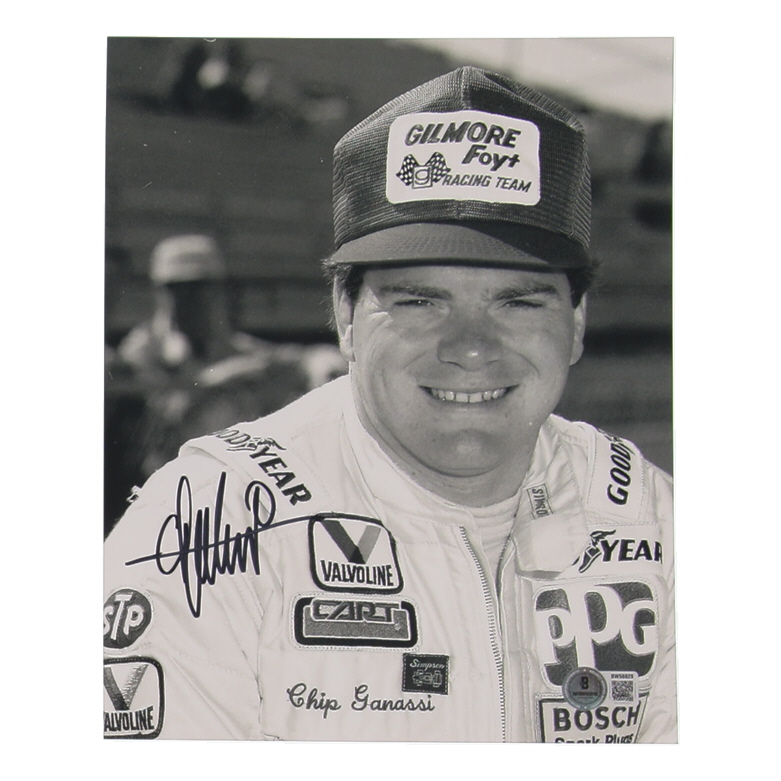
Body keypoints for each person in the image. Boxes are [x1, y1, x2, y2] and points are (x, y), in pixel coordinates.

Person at [103, 66, 676, 743]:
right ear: (345, 315)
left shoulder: (649, 513)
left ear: (576, 322)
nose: (470, 347)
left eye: (519, 302)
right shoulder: (204, 525)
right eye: (419, 301)